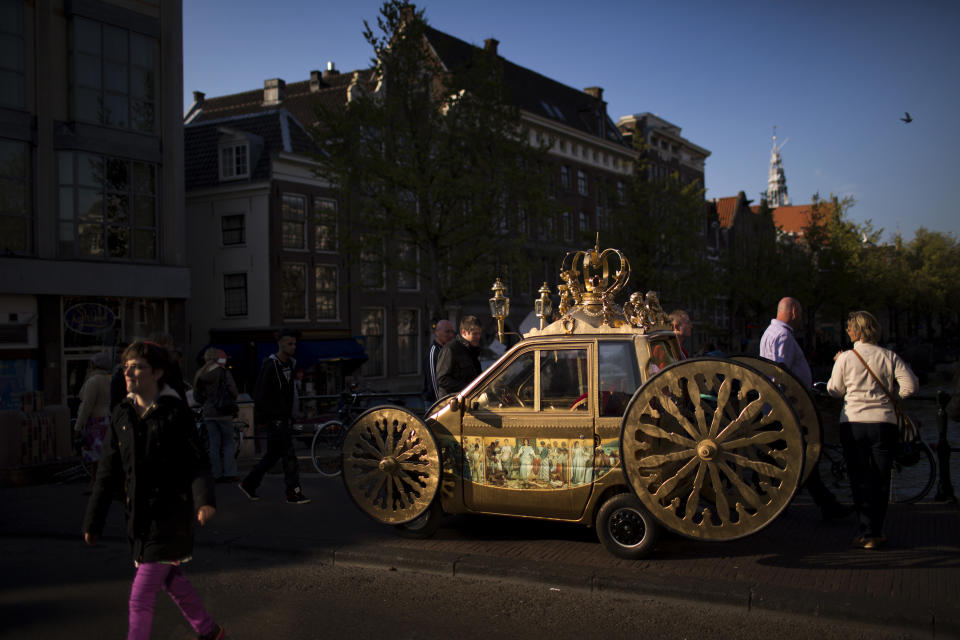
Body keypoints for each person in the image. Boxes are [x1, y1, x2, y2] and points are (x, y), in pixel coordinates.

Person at [82, 341, 224, 640]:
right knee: (173, 581)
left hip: (171, 517)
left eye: (138, 366)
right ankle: (210, 632)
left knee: (140, 597)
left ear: (157, 372)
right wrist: (93, 521)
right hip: (139, 518)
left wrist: (204, 501)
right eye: (126, 366)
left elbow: (198, 463)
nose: (129, 371)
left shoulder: (175, 412)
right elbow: (107, 472)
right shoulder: (122, 414)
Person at [827, 310, 918, 550]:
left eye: (849, 328)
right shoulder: (889, 356)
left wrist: (838, 365)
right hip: (883, 423)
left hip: (853, 423)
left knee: (858, 478)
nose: (847, 331)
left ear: (856, 331)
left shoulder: (846, 357)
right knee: (880, 479)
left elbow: (834, 390)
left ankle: (864, 531)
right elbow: (910, 387)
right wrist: (893, 398)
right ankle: (876, 532)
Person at [760, 296, 850, 521]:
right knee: (802, 458)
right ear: (794, 312)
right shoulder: (782, 336)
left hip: (778, 409)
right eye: (799, 313)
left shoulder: (772, 333)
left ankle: (775, 503)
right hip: (785, 410)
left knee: (784, 459)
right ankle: (826, 505)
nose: (799, 318)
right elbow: (779, 373)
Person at [239, 329, 310, 504]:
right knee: (289, 455)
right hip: (276, 418)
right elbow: (260, 393)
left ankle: (249, 484)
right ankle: (293, 492)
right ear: (280, 344)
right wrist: (269, 417)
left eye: (294, 344)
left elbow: (288, 393)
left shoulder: (290, 364)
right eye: (289, 343)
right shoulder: (271, 365)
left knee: (272, 456)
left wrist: (291, 414)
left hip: (284, 417)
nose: (293, 347)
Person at [193, 348, 239, 483]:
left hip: (208, 412)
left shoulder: (200, 374)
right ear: (217, 358)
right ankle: (229, 473)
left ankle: (216, 473)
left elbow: (197, 396)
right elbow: (234, 392)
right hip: (224, 412)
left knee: (214, 444)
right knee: (229, 443)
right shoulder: (223, 373)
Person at [74, 351, 113, 491]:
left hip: (95, 421)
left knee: (95, 456)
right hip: (107, 420)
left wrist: (78, 426)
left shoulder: (93, 381)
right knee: (103, 455)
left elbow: (87, 405)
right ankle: (99, 482)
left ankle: (95, 483)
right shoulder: (110, 379)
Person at [435, 315, 482, 398]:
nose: (478, 337)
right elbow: (442, 379)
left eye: (479, 333)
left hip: (467, 400)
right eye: (475, 334)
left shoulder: (473, 350)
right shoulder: (450, 349)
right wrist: (468, 388)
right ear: (464, 332)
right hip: (451, 404)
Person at [423, 319, 455, 406]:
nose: (450, 335)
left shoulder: (448, 350)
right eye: (447, 332)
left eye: (452, 332)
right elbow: (433, 382)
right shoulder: (433, 353)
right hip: (435, 404)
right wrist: (441, 405)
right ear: (437, 332)